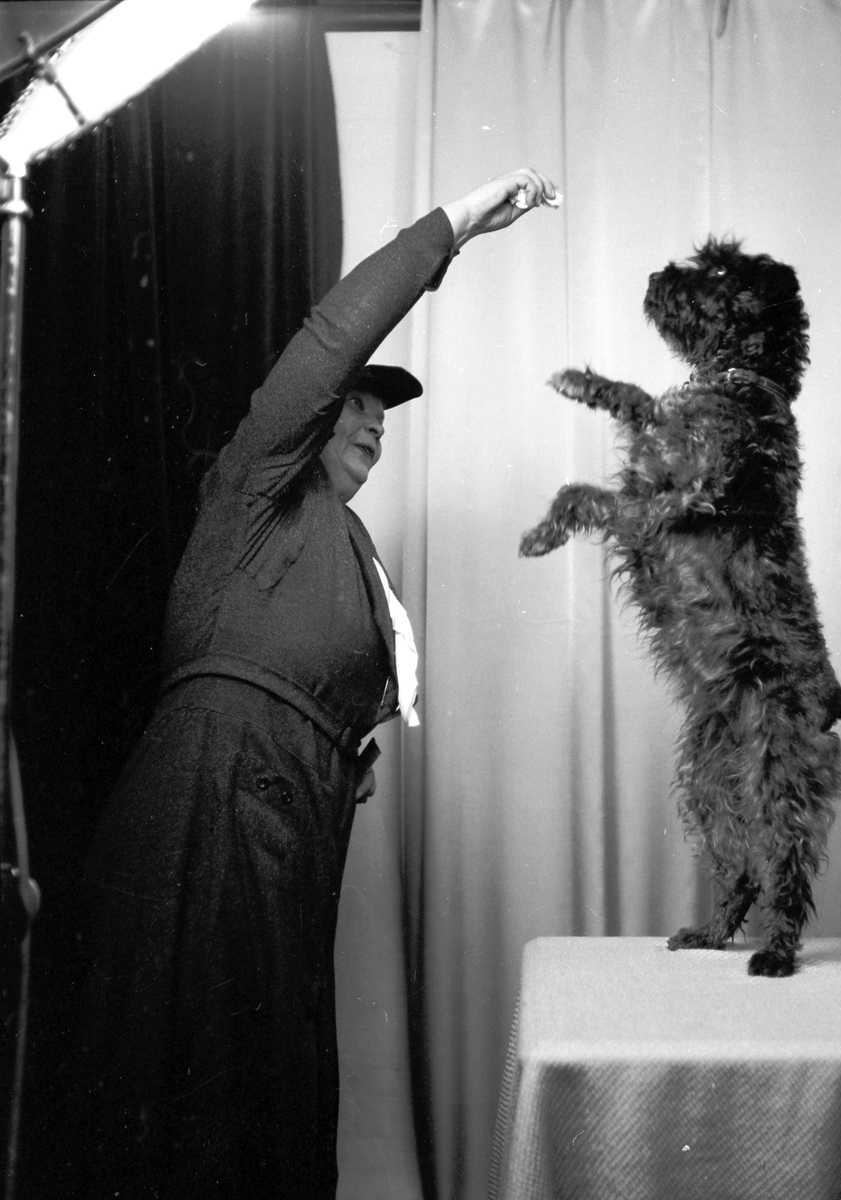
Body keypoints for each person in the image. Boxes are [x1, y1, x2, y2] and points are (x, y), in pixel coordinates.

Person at [65, 168, 558, 1199]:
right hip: (208, 812)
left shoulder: (345, 542)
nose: (375, 424)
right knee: (192, 1117)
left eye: (385, 415)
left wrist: (345, 753)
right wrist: (457, 225)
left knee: (261, 1113)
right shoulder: (256, 487)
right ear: (310, 418)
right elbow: (334, 336)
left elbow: (317, 676)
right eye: (357, 406)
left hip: (281, 832)